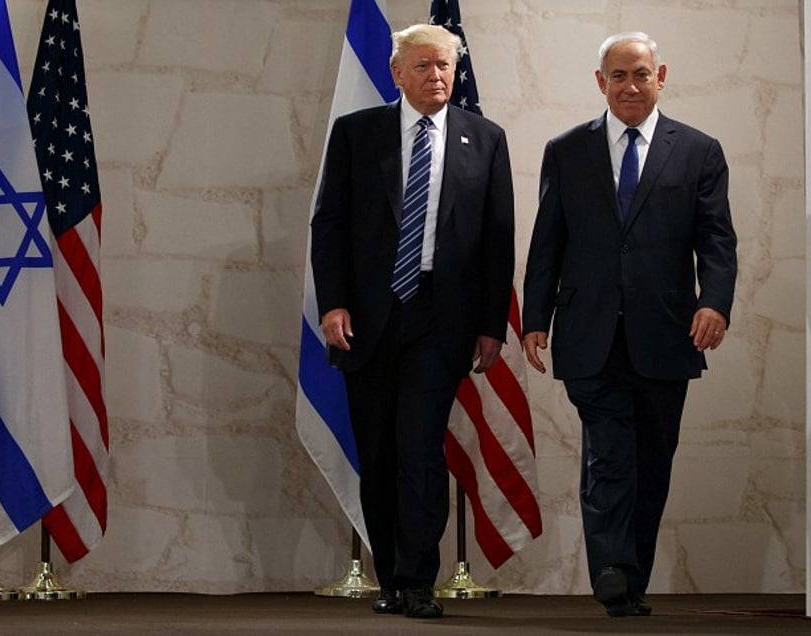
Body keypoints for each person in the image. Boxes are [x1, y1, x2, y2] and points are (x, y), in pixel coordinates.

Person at [522, 32, 737, 617]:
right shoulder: (566, 151)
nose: (631, 86)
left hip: (668, 333)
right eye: (618, 76)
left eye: (640, 74)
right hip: (589, 334)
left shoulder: (698, 151)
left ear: (660, 76)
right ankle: (613, 568)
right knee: (610, 453)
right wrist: (534, 318)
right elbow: (548, 243)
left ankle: (629, 579)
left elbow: (716, 239)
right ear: (601, 83)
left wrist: (714, 302)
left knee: (651, 461)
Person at [311, 24, 514, 619]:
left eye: (446, 66)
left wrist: (490, 324)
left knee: (420, 446)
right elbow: (330, 225)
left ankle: (418, 578)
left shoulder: (486, 139)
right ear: (398, 73)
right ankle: (392, 579)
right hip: (367, 319)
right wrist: (333, 303)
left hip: (441, 317)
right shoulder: (357, 134)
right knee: (377, 452)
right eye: (424, 66)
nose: (438, 77)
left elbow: (496, 241)